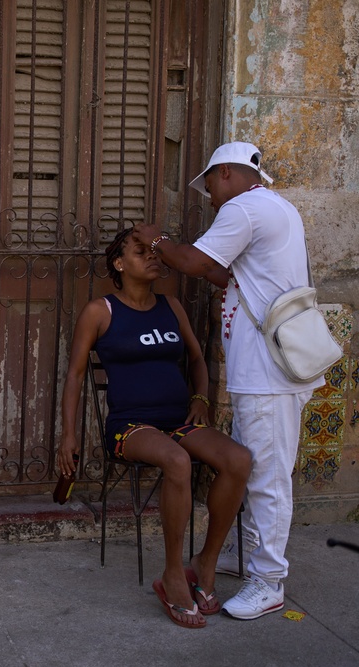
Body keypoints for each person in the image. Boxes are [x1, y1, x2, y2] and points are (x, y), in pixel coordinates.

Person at [133, 141, 323, 620]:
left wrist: (157, 241)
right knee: (256, 471)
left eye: (211, 188)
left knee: (267, 481)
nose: (212, 200)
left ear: (226, 175)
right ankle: (253, 561)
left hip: (267, 375)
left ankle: (269, 580)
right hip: (267, 372)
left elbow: (196, 264)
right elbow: (232, 277)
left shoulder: (246, 208)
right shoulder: (277, 208)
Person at [58, 228, 250, 629]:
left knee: (238, 459)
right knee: (177, 461)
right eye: (140, 251)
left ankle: (206, 563)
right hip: (130, 426)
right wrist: (69, 436)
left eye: (154, 251)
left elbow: (197, 360)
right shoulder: (100, 311)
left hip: (178, 421)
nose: (153, 257)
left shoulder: (172, 306)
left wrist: (202, 398)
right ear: (119, 263)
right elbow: (75, 376)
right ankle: (173, 574)